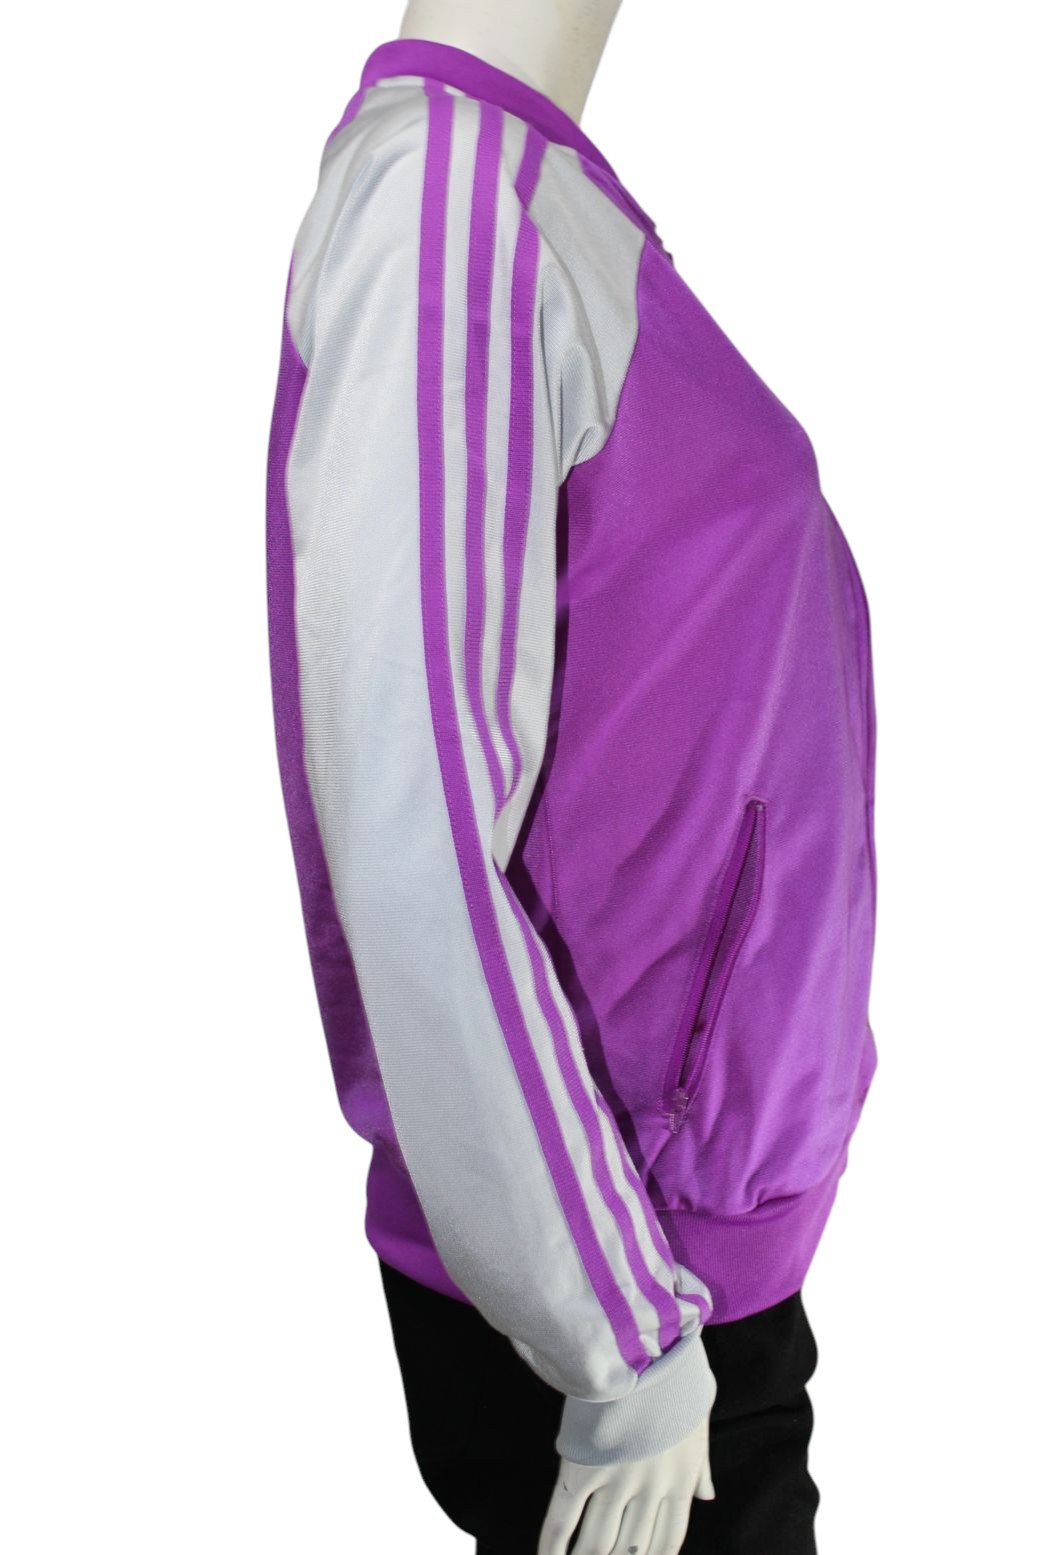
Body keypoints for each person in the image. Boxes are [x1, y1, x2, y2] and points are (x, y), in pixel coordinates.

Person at [265, 4, 878, 1551]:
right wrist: (618, 1347)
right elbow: (408, 830)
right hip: (622, 1292)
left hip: (676, 1259)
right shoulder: (445, 204)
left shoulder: (521, 191)